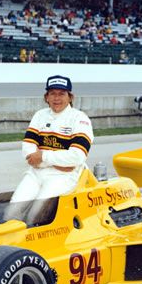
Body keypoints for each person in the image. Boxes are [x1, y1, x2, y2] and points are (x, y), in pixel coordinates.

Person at [6, 75, 94, 225]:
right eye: (52, 93)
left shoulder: (80, 118)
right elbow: (27, 149)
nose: (57, 98)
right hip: (37, 172)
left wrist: (43, 157)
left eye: (61, 94)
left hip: (63, 177)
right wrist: (52, 162)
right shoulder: (40, 115)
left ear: (70, 97)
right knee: (11, 213)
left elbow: (77, 157)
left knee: (36, 216)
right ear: (46, 97)